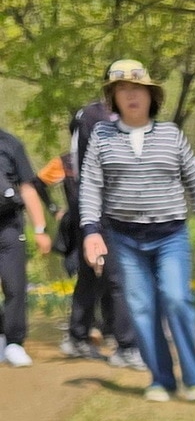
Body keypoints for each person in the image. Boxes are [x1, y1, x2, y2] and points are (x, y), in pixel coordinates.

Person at [78, 58, 195, 403]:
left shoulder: (171, 135)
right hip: (124, 238)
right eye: (122, 90)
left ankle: (193, 378)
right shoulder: (101, 137)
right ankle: (161, 378)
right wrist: (91, 231)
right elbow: (90, 186)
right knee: (141, 308)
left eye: (137, 89)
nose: (131, 96)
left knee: (176, 300)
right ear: (113, 99)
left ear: (151, 95)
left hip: (170, 235)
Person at [57, 99, 142, 366]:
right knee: (119, 275)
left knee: (89, 274)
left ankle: (78, 336)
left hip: (91, 203)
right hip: (102, 206)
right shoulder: (98, 117)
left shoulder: (89, 114)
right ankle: (126, 347)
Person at [0, 120, 51, 367]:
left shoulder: (11, 144)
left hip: (10, 226)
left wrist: (40, 229)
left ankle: (14, 343)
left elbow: (27, 188)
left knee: (14, 284)